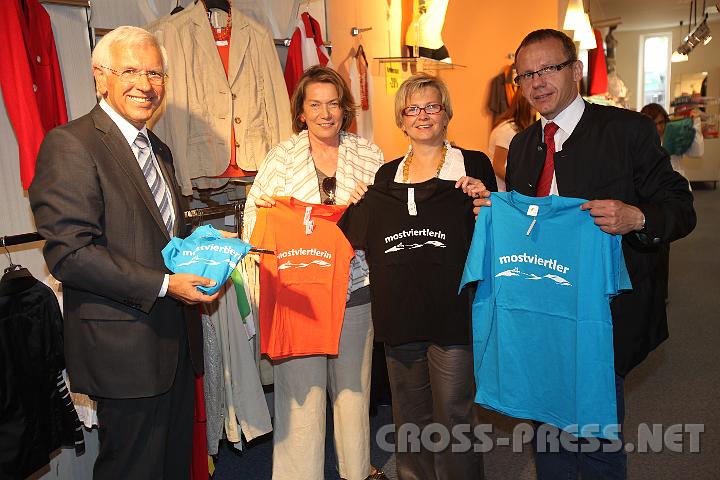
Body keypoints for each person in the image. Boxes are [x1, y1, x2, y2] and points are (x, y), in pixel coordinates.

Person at [474, 29, 695, 479]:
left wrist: (637, 218)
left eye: (548, 69)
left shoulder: (627, 130)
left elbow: (680, 207)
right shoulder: (521, 145)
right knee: (546, 432)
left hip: (603, 315)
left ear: (576, 71)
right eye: (526, 75)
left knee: (595, 440)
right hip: (540, 314)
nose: (537, 83)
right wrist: (494, 215)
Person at [29, 26, 223, 479]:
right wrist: (163, 284)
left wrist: (207, 257)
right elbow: (70, 253)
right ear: (101, 76)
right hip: (123, 349)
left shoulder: (159, 149)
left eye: (155, 73)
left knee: (174, 465)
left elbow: (159, 238)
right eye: (130, 70)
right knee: (133, 469)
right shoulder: (71, 144)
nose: (146, 84)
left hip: (174, 341)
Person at [241, 65, 386, 480]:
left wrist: (367, 205)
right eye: (315, 104)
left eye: (334, 104)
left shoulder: (370, 155)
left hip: (355, 290)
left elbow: (383, 223)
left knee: (353, 393)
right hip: (299, 296)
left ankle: (357, 472)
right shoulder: (281, 157)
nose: (325, 113)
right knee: (300, 397)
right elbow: (253, 222)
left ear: (345, 109)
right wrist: (271, 211)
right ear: (301, 111)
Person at [370, 73, 495, 479]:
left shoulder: (473, 164)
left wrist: (486, 203)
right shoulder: (385, 177)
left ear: (446, 114)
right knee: (409, 417)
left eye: (431, 106)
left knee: (456, 412)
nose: (422, 115)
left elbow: (494, 231)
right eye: (412, 108)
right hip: (401, 311)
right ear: (401, 119)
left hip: (453, 311)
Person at [487, 92, 535, 191]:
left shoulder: (523, 128)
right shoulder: (508, 130)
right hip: (503, 190)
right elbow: (498, 167)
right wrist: (519, 185)